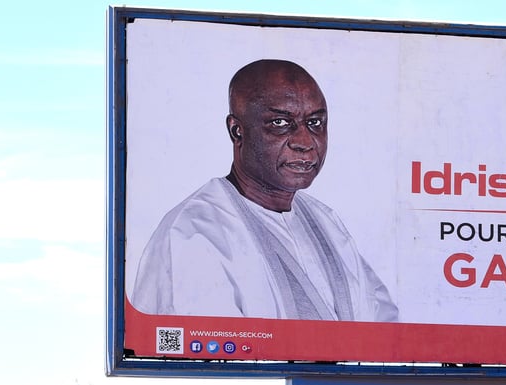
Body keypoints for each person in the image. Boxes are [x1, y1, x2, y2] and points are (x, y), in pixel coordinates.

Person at [132, 58, 398, 322]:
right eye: (280, 123)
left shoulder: (325, 221)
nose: (305, 142)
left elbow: (386, 330)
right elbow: (210, 356)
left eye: (315, 123)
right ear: (237, 131)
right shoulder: (194, 233)